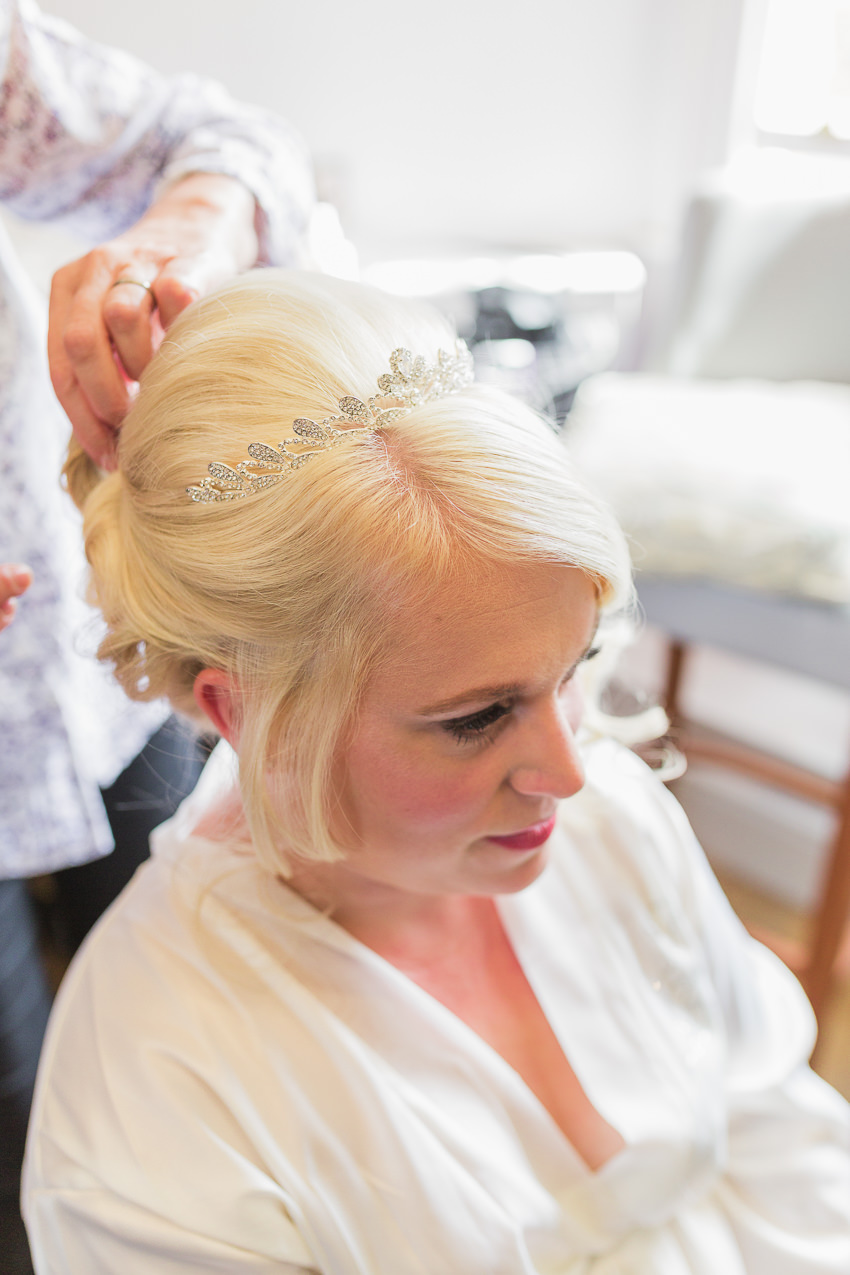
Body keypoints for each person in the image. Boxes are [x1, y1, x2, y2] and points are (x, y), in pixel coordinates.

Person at [23, 269, 850, 1274]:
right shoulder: (156, 1085)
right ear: (244, 716)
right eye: (477, 718)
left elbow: (779, 1137)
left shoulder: (613, 818)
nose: (569, 771)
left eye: (573, 669)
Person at [0, 2, 313, 1269]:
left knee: (220, 1020)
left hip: (98, 690)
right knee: (20, 1125)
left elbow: (224, 136)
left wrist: (182, 226)